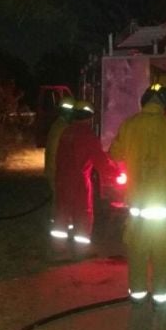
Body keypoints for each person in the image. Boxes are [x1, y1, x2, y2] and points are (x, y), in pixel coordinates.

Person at [110, 84, 166, 310]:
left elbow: (115, 154)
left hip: (137, 206)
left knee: (137, 252)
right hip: (163, 207)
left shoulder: (129, 125)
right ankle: (162, 301)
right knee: (162, 255)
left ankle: (137, 296)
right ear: (164, 105)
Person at [52, 100, 118, 250]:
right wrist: (116, 172)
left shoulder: (66, 132)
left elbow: (58, 157)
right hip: (79, 182)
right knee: (83, 214)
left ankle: (59, 250)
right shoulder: (87, 136)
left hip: (61, 179)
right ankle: (80, 250)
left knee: (62, 213)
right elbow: (101, 162)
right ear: (89, 117)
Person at [44, 96, 75, 221]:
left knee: (58, 200)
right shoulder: (64, 128)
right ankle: (63, 223)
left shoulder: (57, 125)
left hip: (53, 170)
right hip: (58, 171)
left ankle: (58, 222)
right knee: (63, 200)